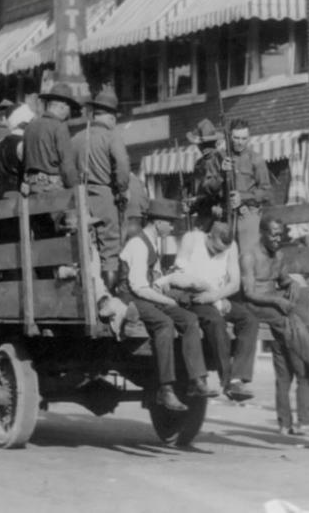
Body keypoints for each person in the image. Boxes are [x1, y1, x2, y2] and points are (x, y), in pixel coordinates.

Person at [242, 216, 309, 431]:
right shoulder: (248, 256)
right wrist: (276, 299)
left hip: (274, 302)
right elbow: (249, 292)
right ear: (262, 232)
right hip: (255, 305)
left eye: (280, 234)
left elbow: (282, 280)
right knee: (292, 322)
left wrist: (290, 282)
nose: (277, 238)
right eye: (273, 233)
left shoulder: (279, 256)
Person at [117, 198, 218, 411]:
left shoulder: (153, 242)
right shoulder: (137, 244)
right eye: (169, 222)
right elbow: (138, 287)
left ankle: (196, 380)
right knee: (164, 324)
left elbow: (153, 282)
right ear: (157, 222)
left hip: (149, 294)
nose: (172, 227)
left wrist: (169, 287)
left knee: (190, 319)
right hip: (132, 297)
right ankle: (165, 389)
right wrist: (167, 300)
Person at [165, 221, 260, 401]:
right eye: (215, 249)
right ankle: (226, 382)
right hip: (194, 296)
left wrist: (216, 296)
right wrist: (210, 296)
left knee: (250, 320)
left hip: (217, 297)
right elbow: (181, 275)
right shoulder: (192, 239)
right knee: (216, 321)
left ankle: (238, 378)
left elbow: (234, 283)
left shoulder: (230, 247)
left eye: (221, 251)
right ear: (209, 236)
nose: (218, 253)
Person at [72, 90, 130, 290]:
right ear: (111, 117)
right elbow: (122, 166)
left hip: (80, 198)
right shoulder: (111, 136)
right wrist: (122, 191)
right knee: (109, 252)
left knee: (87, 250)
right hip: (105, 197)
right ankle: (109, 301)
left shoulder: (76, 138)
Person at [193, 118, 272, 253]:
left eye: (243, 138)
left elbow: (266, 192)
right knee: (222, 257)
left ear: (249, 138)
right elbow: (206, 188)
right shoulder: (218, 157)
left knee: (247, 256)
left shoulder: (256, 159)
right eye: (236, 138)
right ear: (229, 137)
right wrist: (221, 175)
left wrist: (243, 197)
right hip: (223, 217)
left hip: (247, 215)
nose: (240, 142)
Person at [22, 82, 81, 194]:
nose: (69, 113)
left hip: (31, 187)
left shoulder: (30, 126)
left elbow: (24, 160)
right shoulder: (59, 127)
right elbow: (67, 165)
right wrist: (76, 188)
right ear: (63, 106)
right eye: (69, 108)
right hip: (52, 187)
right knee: (73, 210)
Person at [124, 174, 149, 241]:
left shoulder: (120, 179)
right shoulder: (139, 182)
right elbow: (145, 204)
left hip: (127, 218)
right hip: (138, 218)